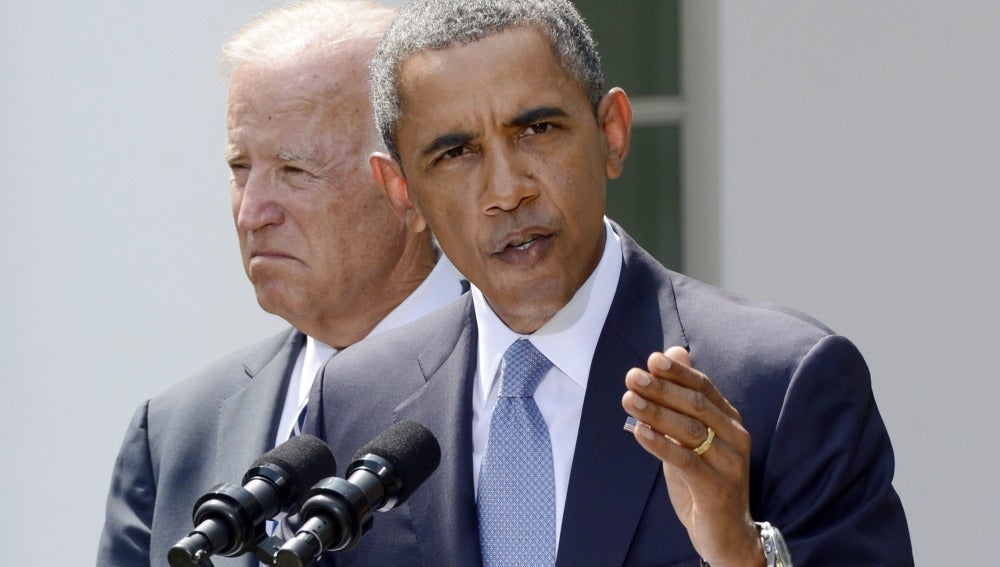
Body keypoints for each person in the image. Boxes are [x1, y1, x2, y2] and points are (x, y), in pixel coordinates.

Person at [304, 0, 914, 566]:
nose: (507, 190)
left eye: (537, 130)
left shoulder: (782, 383)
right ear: (402, 193)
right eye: (457, 152)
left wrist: (742, 555)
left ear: (612, 135)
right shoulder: (354, 403)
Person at [96, 2, 466, 565]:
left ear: (411, 188)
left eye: (295, 171)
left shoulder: (526, 391)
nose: (252, 213)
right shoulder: (173, 433)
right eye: (240, 169)